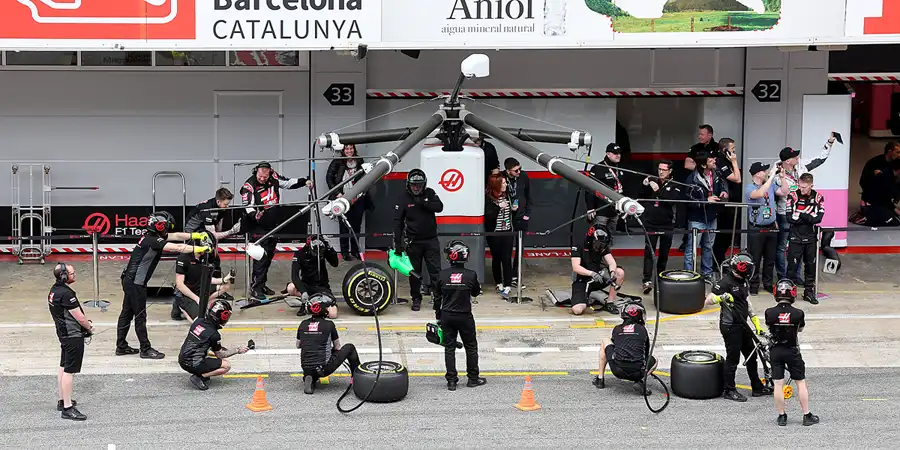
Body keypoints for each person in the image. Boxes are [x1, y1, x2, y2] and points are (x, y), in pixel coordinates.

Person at [117, 211, 211, 360]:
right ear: (159, 226)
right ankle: (145, 349)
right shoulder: (153, 240)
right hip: (136, 283)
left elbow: (177, 236)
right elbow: (177, 248)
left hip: (129, 280)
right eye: (165, 226)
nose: (166, 229)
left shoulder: (152, 236)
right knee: (140, 316)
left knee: (126, 313)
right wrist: (198, 249)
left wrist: (195, 236)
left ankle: (121, 346)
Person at [240, 161, 313, 300]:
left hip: (274, 225)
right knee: (260, 257)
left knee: (268, 256)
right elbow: (247, 206)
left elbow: (288, 183)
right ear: (256, 172)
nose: (262, 179)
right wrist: (254, 215)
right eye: (260, 176)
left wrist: (304, 181)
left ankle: (261, 284)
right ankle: (255, 289)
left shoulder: (273, 176)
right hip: (258, 226)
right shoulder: (248, 186)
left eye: (265, 177)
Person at [705, 253, 773, 402]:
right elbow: (708, 300)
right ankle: (729, 390)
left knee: (752, 356)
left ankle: (757, 387)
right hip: (730, 326)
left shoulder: (744, 281)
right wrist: (721, 297)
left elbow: (746, 301)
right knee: (733, 358)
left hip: (743, 324)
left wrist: (756, 322)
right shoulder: (725, 282)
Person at [773, 134, 836, 279]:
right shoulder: (775, 173)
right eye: (795, 156)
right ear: (788, 161)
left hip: (803, 212)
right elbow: (778, 193)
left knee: (799, 246)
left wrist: (829, 142)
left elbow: (820, 159)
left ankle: (796, 276)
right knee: (782, 247)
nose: (798, 157)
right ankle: (783, 277)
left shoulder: (801, 166)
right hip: (784, 213)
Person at [173, 188, 242, 318]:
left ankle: (210, 291)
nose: (226, 207)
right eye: (225, 204)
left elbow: (216, 229)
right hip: (192, 236)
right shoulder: (207, 210)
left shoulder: (220, 207)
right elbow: (213, 235)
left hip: (204, 233)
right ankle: (180, 300)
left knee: (215, 260)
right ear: (218, 201)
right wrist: (232, 231)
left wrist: (215, 246)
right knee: (198, 266)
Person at [766, 278, 819, 427]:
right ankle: (806, 415)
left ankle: (782, 416)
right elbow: (800, 329)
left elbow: (769, 327)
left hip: (776, 350)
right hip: (792, 350)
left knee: (778, 383)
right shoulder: (798, 314)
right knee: (800, 382)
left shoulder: (769, 313)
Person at [434, 240, 486, 391]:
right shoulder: (471, 275)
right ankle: (473, 378)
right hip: (464, 315)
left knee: (449, 348)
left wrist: (439, 316)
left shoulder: (442, 275)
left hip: (447, 315)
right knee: (471, 347)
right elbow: (476, 292)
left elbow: (437, 297)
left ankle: (451, 381)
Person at [393, 169, 444, 311]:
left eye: (419, 185)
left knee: (436, 272)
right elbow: (397, 223)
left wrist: (425, 203)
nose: (416, 188)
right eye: (414, 185)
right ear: (408, 185)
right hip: (413, 242)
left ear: (424, 184)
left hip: (431, 240)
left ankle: (438, 299)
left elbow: (439, 207)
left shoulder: (430, 193)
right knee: (415, 273)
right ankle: (416, 298)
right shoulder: (403, 198)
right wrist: (398, 244)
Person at [48, 263, 92, 421]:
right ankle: (67, 408)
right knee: (69, 371)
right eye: (72, 273)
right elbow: (79, 317)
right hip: (72, 335)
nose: (75, 275)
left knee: (63, 366)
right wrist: (88, 327)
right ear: (64, 276)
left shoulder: (54, 290)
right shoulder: (67, 294)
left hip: (63, 333)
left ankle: (62, 400)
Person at [178, 300, 249, 391]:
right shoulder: (214, 334)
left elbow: (205, 342)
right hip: (193, 364)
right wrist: (237, 350)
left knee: (209, 351)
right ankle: (200, 376)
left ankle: (201, 370)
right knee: (226, 365)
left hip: (182, 359)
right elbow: (220, 355)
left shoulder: (198, 321)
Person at [296, 293, 359, 395]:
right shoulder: (329, 324)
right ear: (325, 313)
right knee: (350, 347)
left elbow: (298, 345)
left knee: (313, 362)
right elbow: (338, 347)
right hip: (324, 368)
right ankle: (357, 378)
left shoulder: (303, 324)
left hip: (306, 366)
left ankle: (309, 376)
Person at [744, 162, 789, 295]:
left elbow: (784, 191)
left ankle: (768, 283)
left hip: (771, 226)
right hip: (756, 228)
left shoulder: (771, 185)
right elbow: (759, 194)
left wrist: (782, 177)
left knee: (770, 258)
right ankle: (753, 285)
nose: (767, 172)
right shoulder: (749, 188)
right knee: (755, 259)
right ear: (757, 173)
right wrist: (771, 176)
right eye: (764, 171)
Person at [592, 302, 657, 394]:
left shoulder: (617, 329)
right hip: (637, 372)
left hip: (617, 370)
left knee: (605, 340)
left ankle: (600, 379)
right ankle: (640, 381)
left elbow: (615, 346)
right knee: (655, 360)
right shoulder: (642, 329)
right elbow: (646, 352)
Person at [638, 159, 682, 294]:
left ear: (670, 171)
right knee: (649, 252)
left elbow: (670, 201)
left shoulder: (675, 184)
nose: (661, 172)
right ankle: (646, 280)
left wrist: (657, 191)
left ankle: (660, 278)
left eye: (664, 170)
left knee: (664, 253)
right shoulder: (653, 180)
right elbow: (641, 196)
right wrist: (645, 185)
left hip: (667, 224)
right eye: (659, 169)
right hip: (650, 223)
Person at [326, 144, 374, 260]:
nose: (349, 151)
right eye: (346, 149)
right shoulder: (337, 162)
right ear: (343, 150)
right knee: (343, 226)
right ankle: (345, 252)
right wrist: (337, 193)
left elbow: (366, 178)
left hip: (357, 198)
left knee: (356, 226)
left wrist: (362, 191)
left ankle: (355, 251)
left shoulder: (360, 161)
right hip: (342, 199)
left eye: (351, 148)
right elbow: (329, 178)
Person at [685, 154, 727, 282]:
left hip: (712, 216)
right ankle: (689, 274)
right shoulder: (692, 179)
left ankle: (707, 273)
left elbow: (723, 185)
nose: (714, 161)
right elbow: (688, 200)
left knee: (708, 246)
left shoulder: (717, 174)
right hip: (697, 219)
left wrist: (724, 192)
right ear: (703, 165)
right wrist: (705, 200)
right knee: (692, 248)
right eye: (710, 160)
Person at [786, 173, 825, 305]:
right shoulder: (792, 196)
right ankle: (788, 294)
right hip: (795, 237)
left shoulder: (819, 197)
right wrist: (808, 216)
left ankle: (808, 292)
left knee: (811, 266)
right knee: (792, 267)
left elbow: (818, 219)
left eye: (804, 187)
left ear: (811, 185)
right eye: (800, 186)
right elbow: (789, 218)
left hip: (811, 238)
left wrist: (801, 215)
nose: (801, 189)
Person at [679, 125, 720, 252]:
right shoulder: (695, 148)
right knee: (692, 243)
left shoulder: (717, 148)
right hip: (698, 188)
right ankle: (686, 242)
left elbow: (720, 167)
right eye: (699, 134)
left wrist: (709, 168)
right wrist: (703, 168)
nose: (699, 136)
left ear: (710, 135)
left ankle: (707, 271)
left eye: (702, 134)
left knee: (709, 245)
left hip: (714, 196)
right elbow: (687, 164)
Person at [570, 227, 624, 315]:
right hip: (582, 280)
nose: (601, 247)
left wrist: (612, 273)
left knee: (619, 272)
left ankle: (609, 302)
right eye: (599, 244)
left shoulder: (602, 247)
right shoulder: (578, 245)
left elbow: (612, 262)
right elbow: (576, 267)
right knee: (577, 310)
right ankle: (582, 297)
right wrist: (591, 273)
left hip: (598, 278)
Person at [174, 243, 235, 321]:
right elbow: (180, 285)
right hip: (185, 294)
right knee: (198, 321)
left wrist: (224, 279)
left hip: (199, 288)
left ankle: (203, 303)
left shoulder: (205, 258)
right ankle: (182, 308)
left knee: (225, 285)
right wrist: (196, 299)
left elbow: (207, 278)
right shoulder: (184, 258)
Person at [285, 234, 340, 318]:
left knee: (333, 314)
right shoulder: (300, 254)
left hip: (322, 286)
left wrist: (331, 248)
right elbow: (295, 276)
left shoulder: (324, 250)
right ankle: (306, 299)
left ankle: (313, 301)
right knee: (290, 287)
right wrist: (303, 291)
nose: (317, 255)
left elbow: (335, 263)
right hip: (307, 285)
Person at [711, 138, 743, 268]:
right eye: (732, 149)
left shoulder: (726, 160)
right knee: (723, 235)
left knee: (729, 235)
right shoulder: (721, 161)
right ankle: (716, 262)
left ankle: (720, 259)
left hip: (732, 203)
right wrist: (734, 162)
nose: (734, 152)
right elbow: (737, 179)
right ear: (725, 150)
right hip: (724, 205)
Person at [484, 173, 515, 299]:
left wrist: (514, 209)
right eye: (503, 183)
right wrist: (498, 207)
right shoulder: (489, 198)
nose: (505, 185)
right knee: (496, 258)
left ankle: (508, 284)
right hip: (494, 233)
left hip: (507, 231)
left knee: (507, 258)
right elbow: (488, 216)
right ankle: (498, 282)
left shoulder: (507, 196)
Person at [503, 157, 532, 288]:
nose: (519, 172)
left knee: (520, 247)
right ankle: (506, 277)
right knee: (506, 248)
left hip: (521, 216)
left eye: (520, 169)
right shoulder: (501, 178)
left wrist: (527, 214)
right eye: (515, 171)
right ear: (508, 171)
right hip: (507, 216)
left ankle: (516, 276)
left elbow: (528, 195)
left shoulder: (524, 177)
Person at [586, 143, 626, 232]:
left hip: (615, 212)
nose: (618, 155)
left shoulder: (620, 168)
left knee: (610, 238)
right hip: (601, 212)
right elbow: (589, 189)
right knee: (599, 238)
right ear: (608, 154)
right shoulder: (598, 168)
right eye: (615, 153)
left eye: (619, 153)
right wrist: (590, 208)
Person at [859, 141, 900, 207]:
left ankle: (893, 200)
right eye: (897, 152)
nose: (899, 155)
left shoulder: (896, 161)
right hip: (872, 185)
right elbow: (865, 180)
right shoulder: (875, 162)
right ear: (890, 152)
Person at [861, 158, 900, 226]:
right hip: (872, 207)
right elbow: (884, 200)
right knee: (893, 221)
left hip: (876, 204)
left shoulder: (888, 175)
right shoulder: (886, 178)